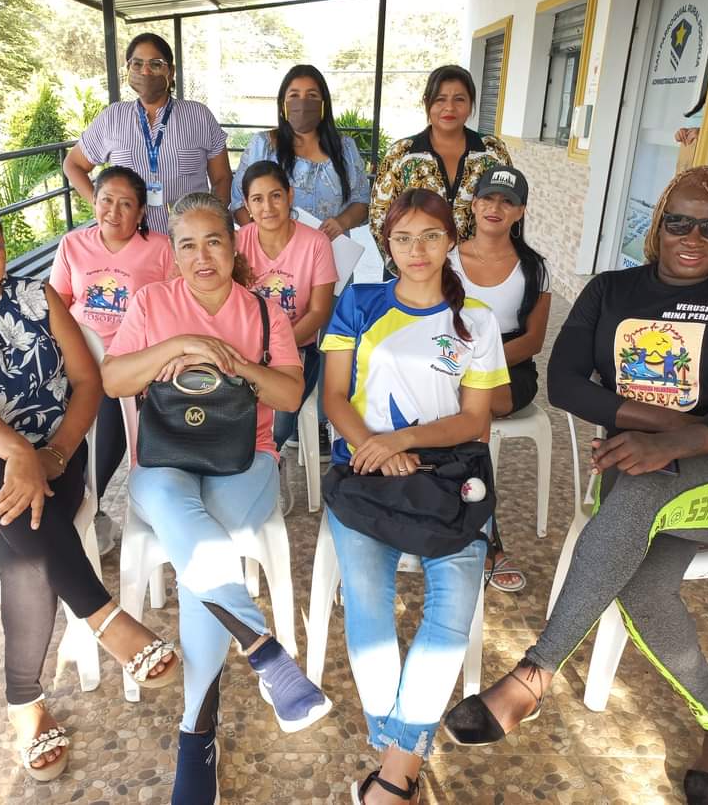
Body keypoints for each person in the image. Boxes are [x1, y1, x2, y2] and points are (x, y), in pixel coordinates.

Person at [444, 167, 708, 805]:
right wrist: (677, 430)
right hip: (648, 461)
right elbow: (565, 384)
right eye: (678, 222)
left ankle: (535, 673)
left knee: (638, 489)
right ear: (657, 225)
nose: (692, 237)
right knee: (641, 579)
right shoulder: (611, 290)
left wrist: (679, 445)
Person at [0, 196, 180, 783]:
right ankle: (105, 618)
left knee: (26, 516)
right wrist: (18, 454)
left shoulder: (37, 296)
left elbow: (86, 381)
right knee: (12, 495)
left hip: (53, 459)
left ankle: (25, 704)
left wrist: (53, 453)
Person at [102, 193, 332, 805]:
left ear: (234, 247)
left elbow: (289, 397)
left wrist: (239, 366)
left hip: (245, 458)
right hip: (163, 462)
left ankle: (196, 733)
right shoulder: (152, 303)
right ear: (173, 254)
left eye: (214, 242)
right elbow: (113, 379)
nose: (202, 256)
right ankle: (263, 653)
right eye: (188, 245)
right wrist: (175, 347)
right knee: (199, 538)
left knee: (203, 553)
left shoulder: (263, 311)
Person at [320, 188, 508, 804]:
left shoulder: (475, 321)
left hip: (450, 477)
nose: (417, 250)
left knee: (452, 612)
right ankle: (400, 767)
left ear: (451, 239)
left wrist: (401, 441)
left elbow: (474, 420)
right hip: (365, 474)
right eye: (402, 238)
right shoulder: (359, 303)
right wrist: (374, 448)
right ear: (387, 244)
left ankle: (393, 765)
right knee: (369, 609)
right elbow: (333, 397)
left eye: (430, 236)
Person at [49, 166, 174, 552]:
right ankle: (80, 503)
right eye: (106, 200)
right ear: (94, 201)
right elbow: (57, 306)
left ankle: (90, 502)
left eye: (126, 204)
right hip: (80, 357)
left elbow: (173, 307)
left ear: (141, 212)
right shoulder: (73, 245)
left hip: (133, 360)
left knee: (110, 410)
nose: (114, 212)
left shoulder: (161, 248)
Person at [453, 165, 551, 593]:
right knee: (447, 407)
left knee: (467, 410)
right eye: (488, 198)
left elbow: (533, 341)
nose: (496, 207)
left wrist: (480, 365)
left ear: (520, 212)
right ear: (474, 204)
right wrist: (459, 364)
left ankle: (485, 537)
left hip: (510, 369)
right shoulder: (446, 258)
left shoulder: (535, 268)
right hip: (452, 358)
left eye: (507, 202)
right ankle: (457, 520)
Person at [236, 160, 337, 509]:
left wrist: (275, 350)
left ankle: (269, 465)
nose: (268, 207)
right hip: (244, 351)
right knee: (231, 408)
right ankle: (239, 470)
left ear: (290, 195)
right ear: (247, 205)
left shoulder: (316, 243)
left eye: (276, 196)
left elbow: (319, 312)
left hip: (298, 349)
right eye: (257, 199)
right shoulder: (237, 242)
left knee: (277, 422)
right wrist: (252, 354)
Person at [63, 32, 233, 234]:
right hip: (132, 239)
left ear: (170, 71)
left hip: (188, 239)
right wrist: (100, 206)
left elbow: (222, 177)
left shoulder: (198, 115)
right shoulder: (112, 117)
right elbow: (73, 164)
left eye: (155, 64)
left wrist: (213, 221)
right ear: (128, 69)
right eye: (137, 64)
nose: (145, 71)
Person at [370, 65, 512, 261]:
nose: (449, 108)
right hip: (415, 266)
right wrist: (403, 265)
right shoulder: (402, 154)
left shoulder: (492, 151)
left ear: (471, 103)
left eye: (459, 99)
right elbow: (379, 218)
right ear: (427, 103)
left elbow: (508, 207)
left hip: (476, 268)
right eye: (440, 99)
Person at [230, 64, 371, 240]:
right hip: (275, 252)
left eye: (312, 96)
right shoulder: (263, 145)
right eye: (294, 95)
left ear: (324, 104)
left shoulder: (345, 148)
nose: (303, 103)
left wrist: (342, 222)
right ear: (283, 104)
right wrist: (261, 240)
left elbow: (362, 201)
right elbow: (238, 201)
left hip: (332, 250)